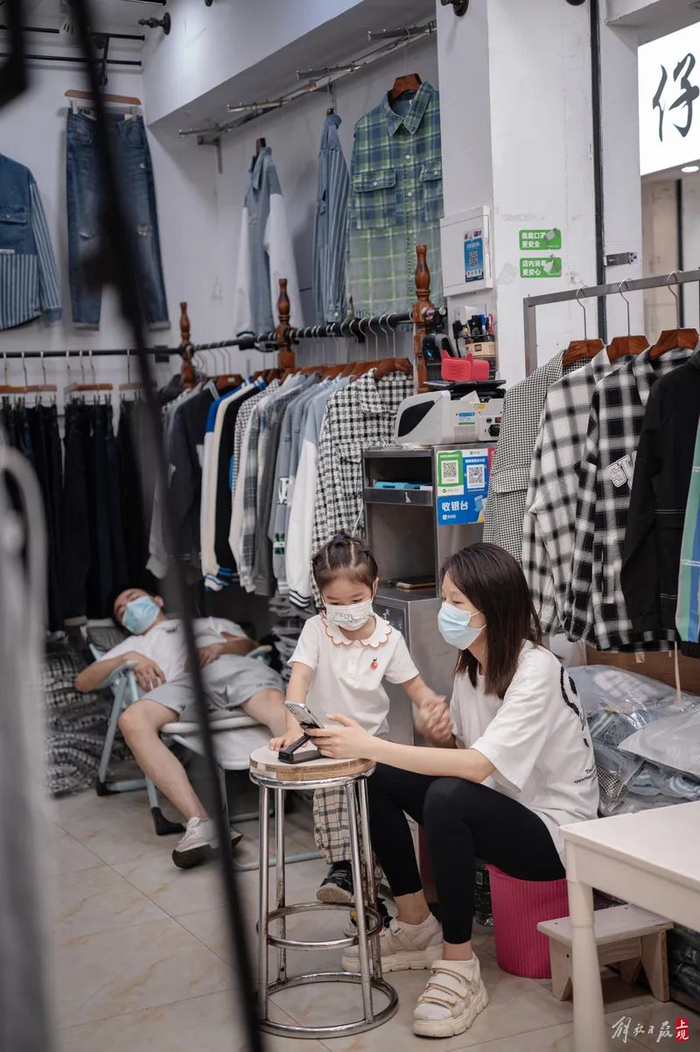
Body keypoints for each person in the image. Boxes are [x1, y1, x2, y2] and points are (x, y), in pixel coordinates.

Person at [306, 543, 600, 1040]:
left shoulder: (537, 669)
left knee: (442, 795)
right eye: (445, 600)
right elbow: (467, 757)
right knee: (372, 772)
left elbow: (477, 767)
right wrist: (434, 736)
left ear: (494, 608)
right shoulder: (471, 667)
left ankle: (460, 964)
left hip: (557, 835)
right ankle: (416, 924)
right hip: (501, 808)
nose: (446, 612)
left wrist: (370, 743)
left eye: (457, 603)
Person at [270, 533, 446, 905]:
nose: (346, 610)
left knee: (375, 820)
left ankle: (366, 888)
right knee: (337, 813)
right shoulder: (317, 630)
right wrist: (291, 728)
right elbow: (299, 678)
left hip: (372, 747)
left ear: (374, 588)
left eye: (355, 600)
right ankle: (345, 871)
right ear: (321, 597)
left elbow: (414, 686)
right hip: (326, 746)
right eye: (335, 603)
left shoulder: (388, 638)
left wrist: (431, 704)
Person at [75, 587, 287, 869]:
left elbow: (251, 646)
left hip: (231, 668)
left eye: (134, 598)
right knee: (132, 720)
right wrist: (129, 658)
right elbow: (83, 682)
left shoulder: (207, 623)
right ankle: (201, 823)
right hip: (181, 686)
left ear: (158, 600)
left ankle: (316, 791)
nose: (129, 607)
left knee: (273, 705)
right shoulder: (132, 645)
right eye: (122, 610)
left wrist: (218, 648)